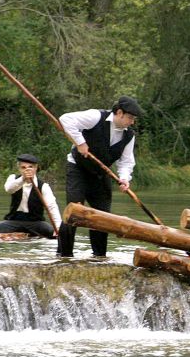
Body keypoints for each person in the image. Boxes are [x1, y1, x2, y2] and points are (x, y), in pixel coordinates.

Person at [56, 96, 143, 258]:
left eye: (133, 119)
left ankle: (99, 258)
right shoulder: (95, 117)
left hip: (100, 175)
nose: (132, 122)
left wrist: (125, 178)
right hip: (78, 169)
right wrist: (80, 142)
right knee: (74, 211)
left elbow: (126, 161)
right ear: (119, 113)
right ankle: (64, 256)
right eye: (130, 118)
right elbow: (65, 119)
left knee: (103, 217)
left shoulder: (129, 135)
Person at [0, 154, 61, 238]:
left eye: (30, 167)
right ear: (19, 169)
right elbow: (9, 189)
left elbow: (52, 207)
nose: (27, 170)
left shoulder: (43, 186)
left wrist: (58, 227)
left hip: (36, 223)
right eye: (23, 167)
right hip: (13, 222)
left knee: (56, 234)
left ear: (35, 168)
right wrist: (23, 179)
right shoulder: (13, 178)